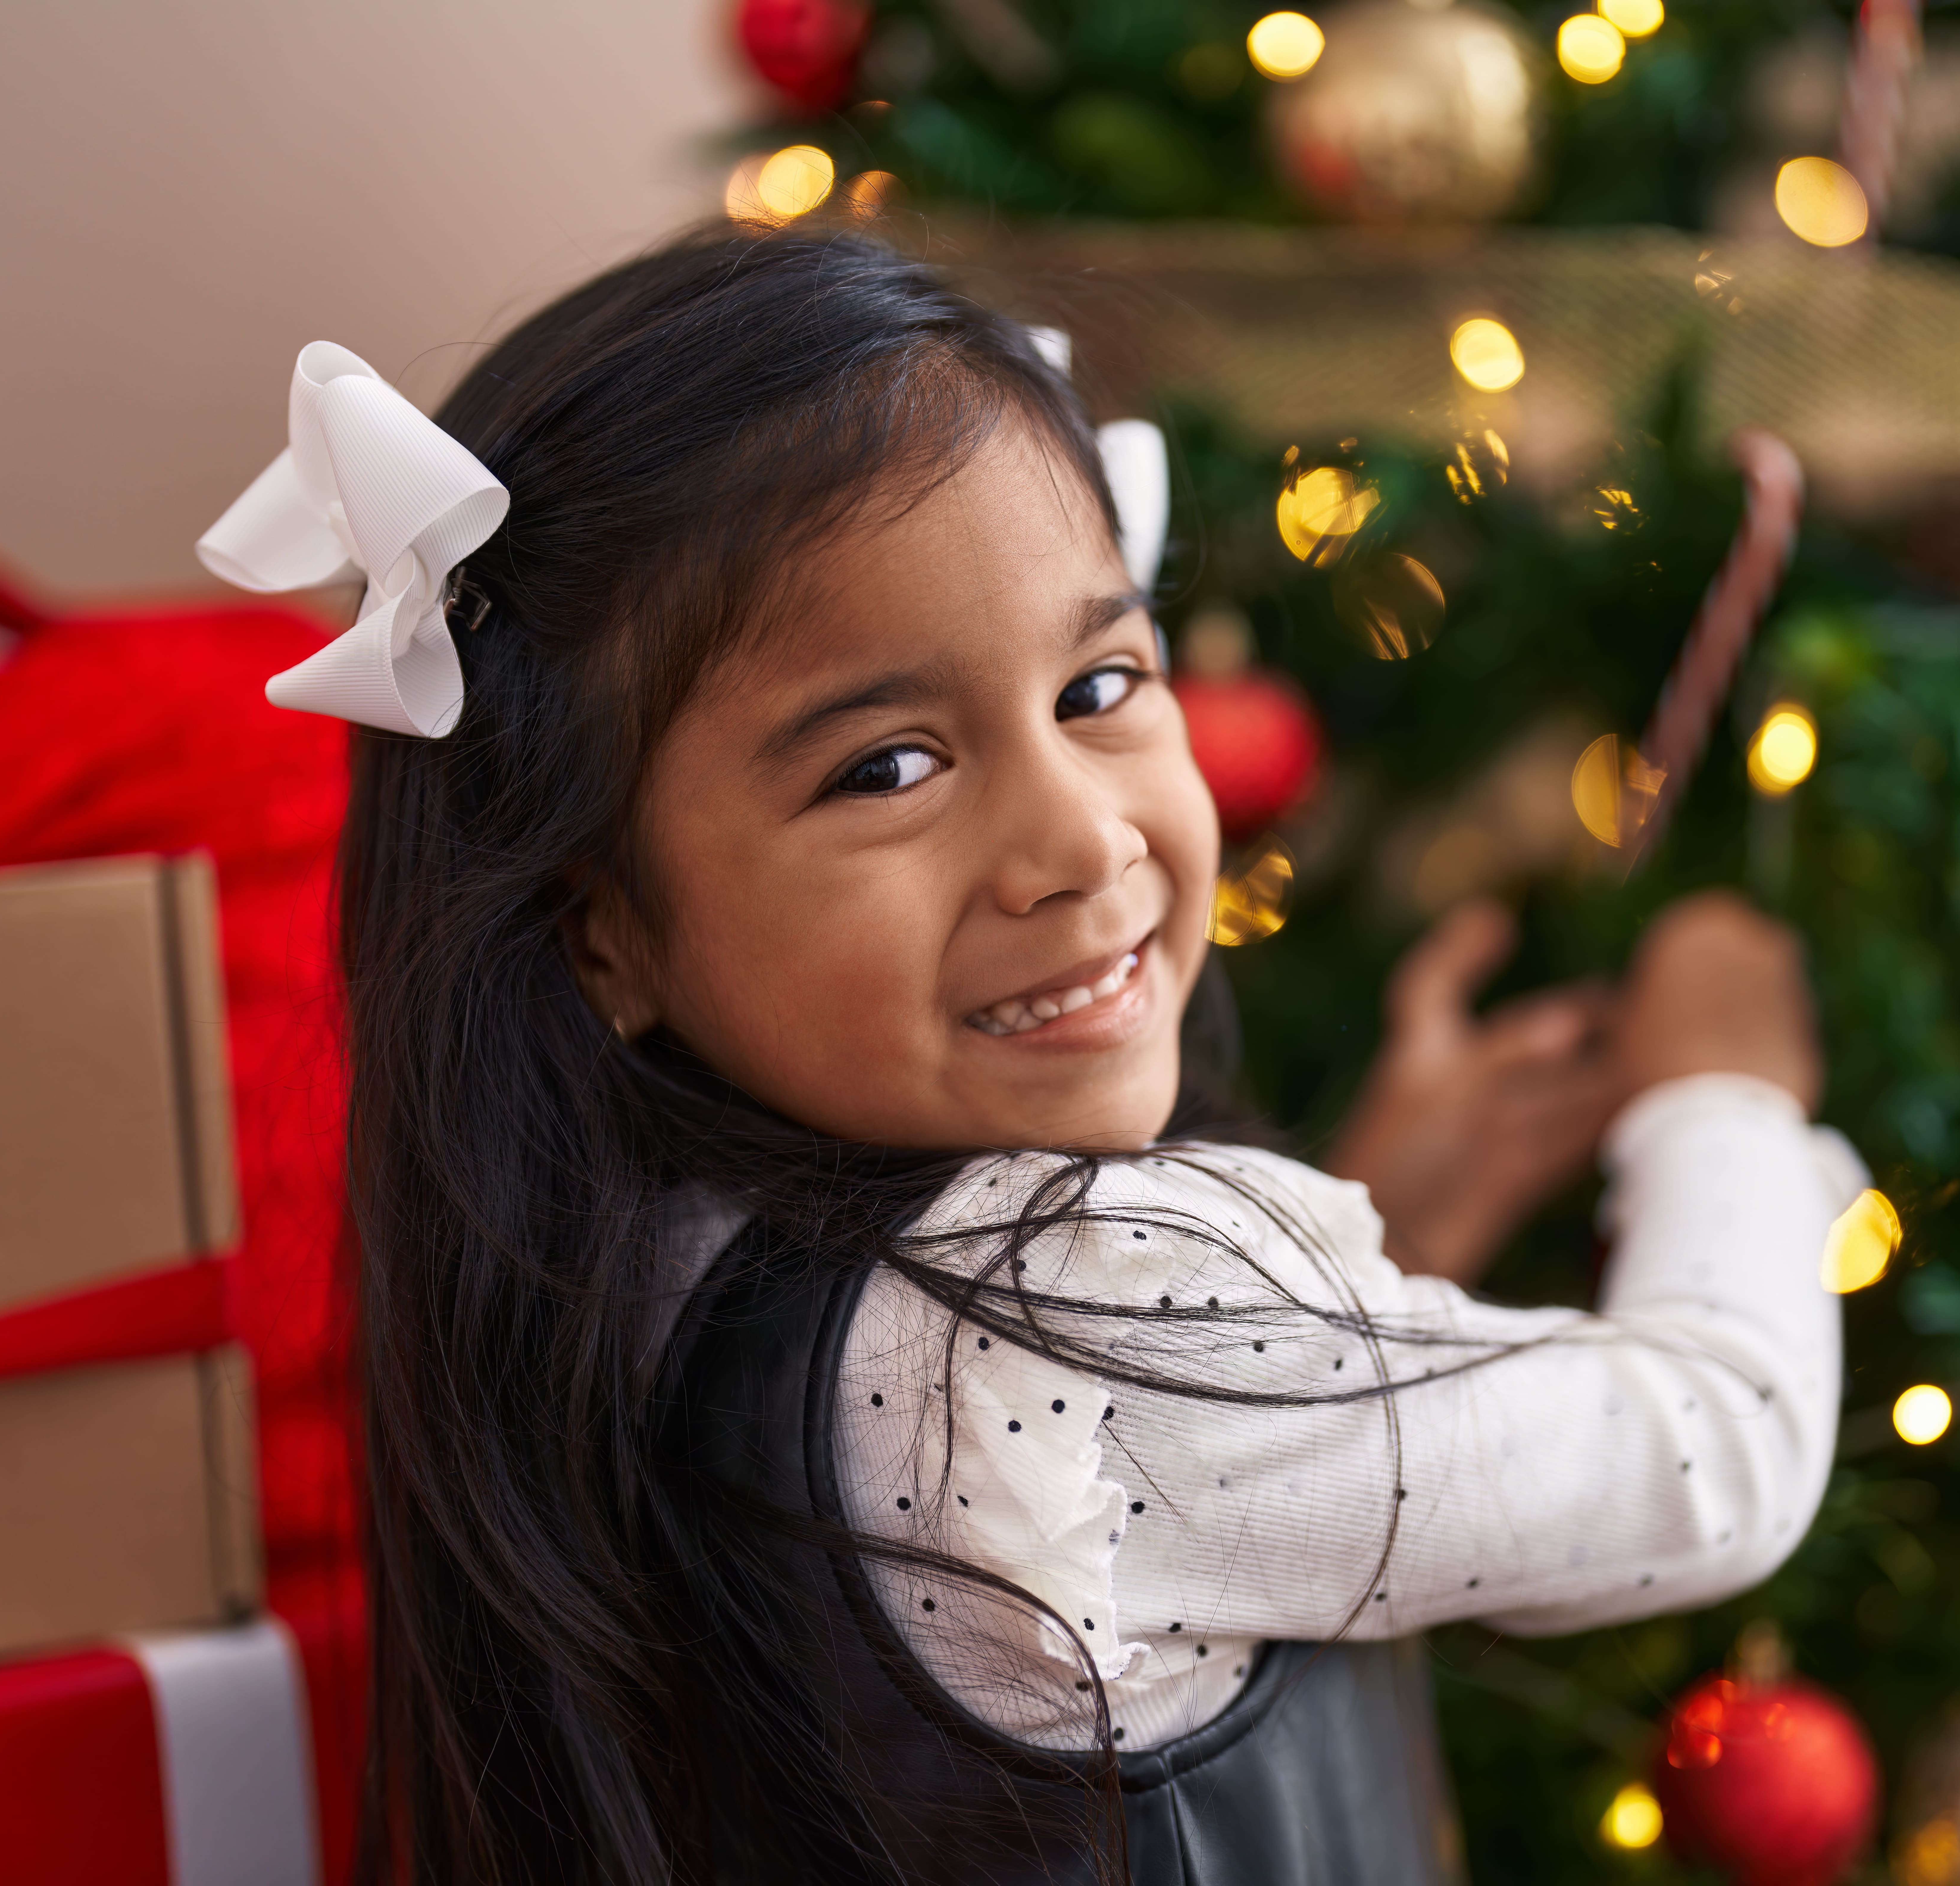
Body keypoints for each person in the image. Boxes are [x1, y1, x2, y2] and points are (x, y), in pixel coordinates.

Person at [197, 225, 1859, 1886]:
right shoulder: (1070, 1318)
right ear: (602, 928)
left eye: (1102, 683)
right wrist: (1726, 1096)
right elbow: (1719, 1443)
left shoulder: (618, 1250)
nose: (1073, 838)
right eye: (889, 768)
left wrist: (1383, 1230)